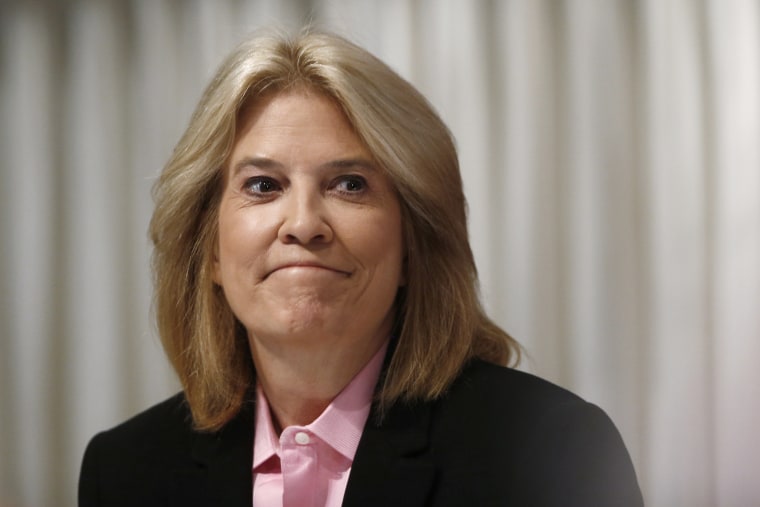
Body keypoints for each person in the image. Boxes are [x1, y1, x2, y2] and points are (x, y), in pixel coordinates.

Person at [78, 29, 643, 507]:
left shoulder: (555, 452)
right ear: (211, 254)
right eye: (262, 185)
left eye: (350, 184)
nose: (303, 223)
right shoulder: (125, 471)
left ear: (413, 245)